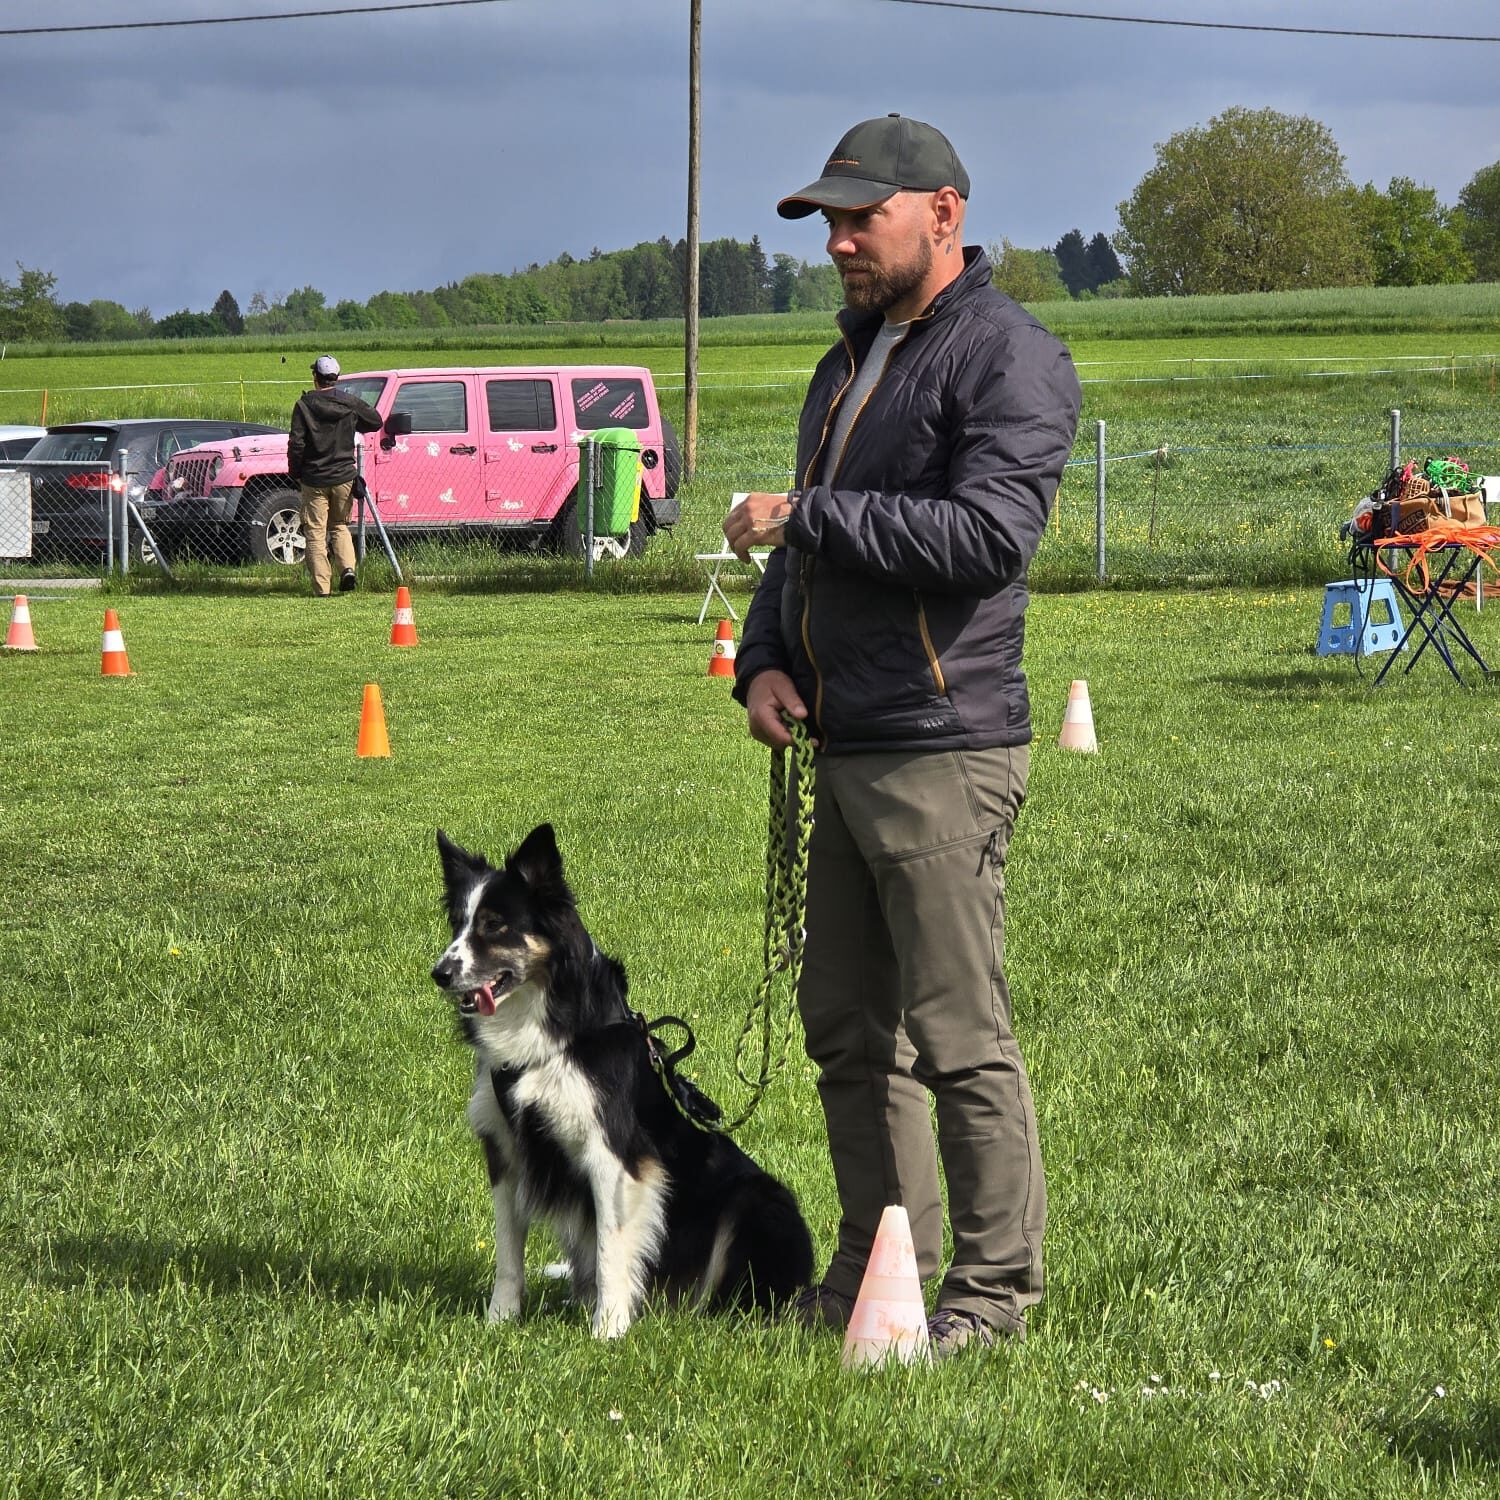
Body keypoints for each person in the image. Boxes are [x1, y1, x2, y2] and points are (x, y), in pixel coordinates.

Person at [724, 114, 1081, 1356]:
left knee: (958, 1037)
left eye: (860, 217)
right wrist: (764, 661)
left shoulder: (1010, 358)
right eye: (828, 220)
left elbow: (987, 539)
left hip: (944, 745)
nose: (838, 242)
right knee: (846, 1030)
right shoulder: (849, 358)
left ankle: (993, 1295)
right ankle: (877, 1272)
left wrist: (806, 515)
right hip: (846, 741)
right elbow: (802, 551)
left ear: (943, 212)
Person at [287, 355, 383, 595]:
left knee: (315, 533)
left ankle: (323, 588)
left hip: (314, 479)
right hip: (344, 477)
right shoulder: (349, 403)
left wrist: (295, 473)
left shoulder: (303, 406)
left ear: (315, 377)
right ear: (336, 378)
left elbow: (296, 443)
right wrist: (353, 422)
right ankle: (347, 569)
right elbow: (375, 421)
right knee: (339, 526)